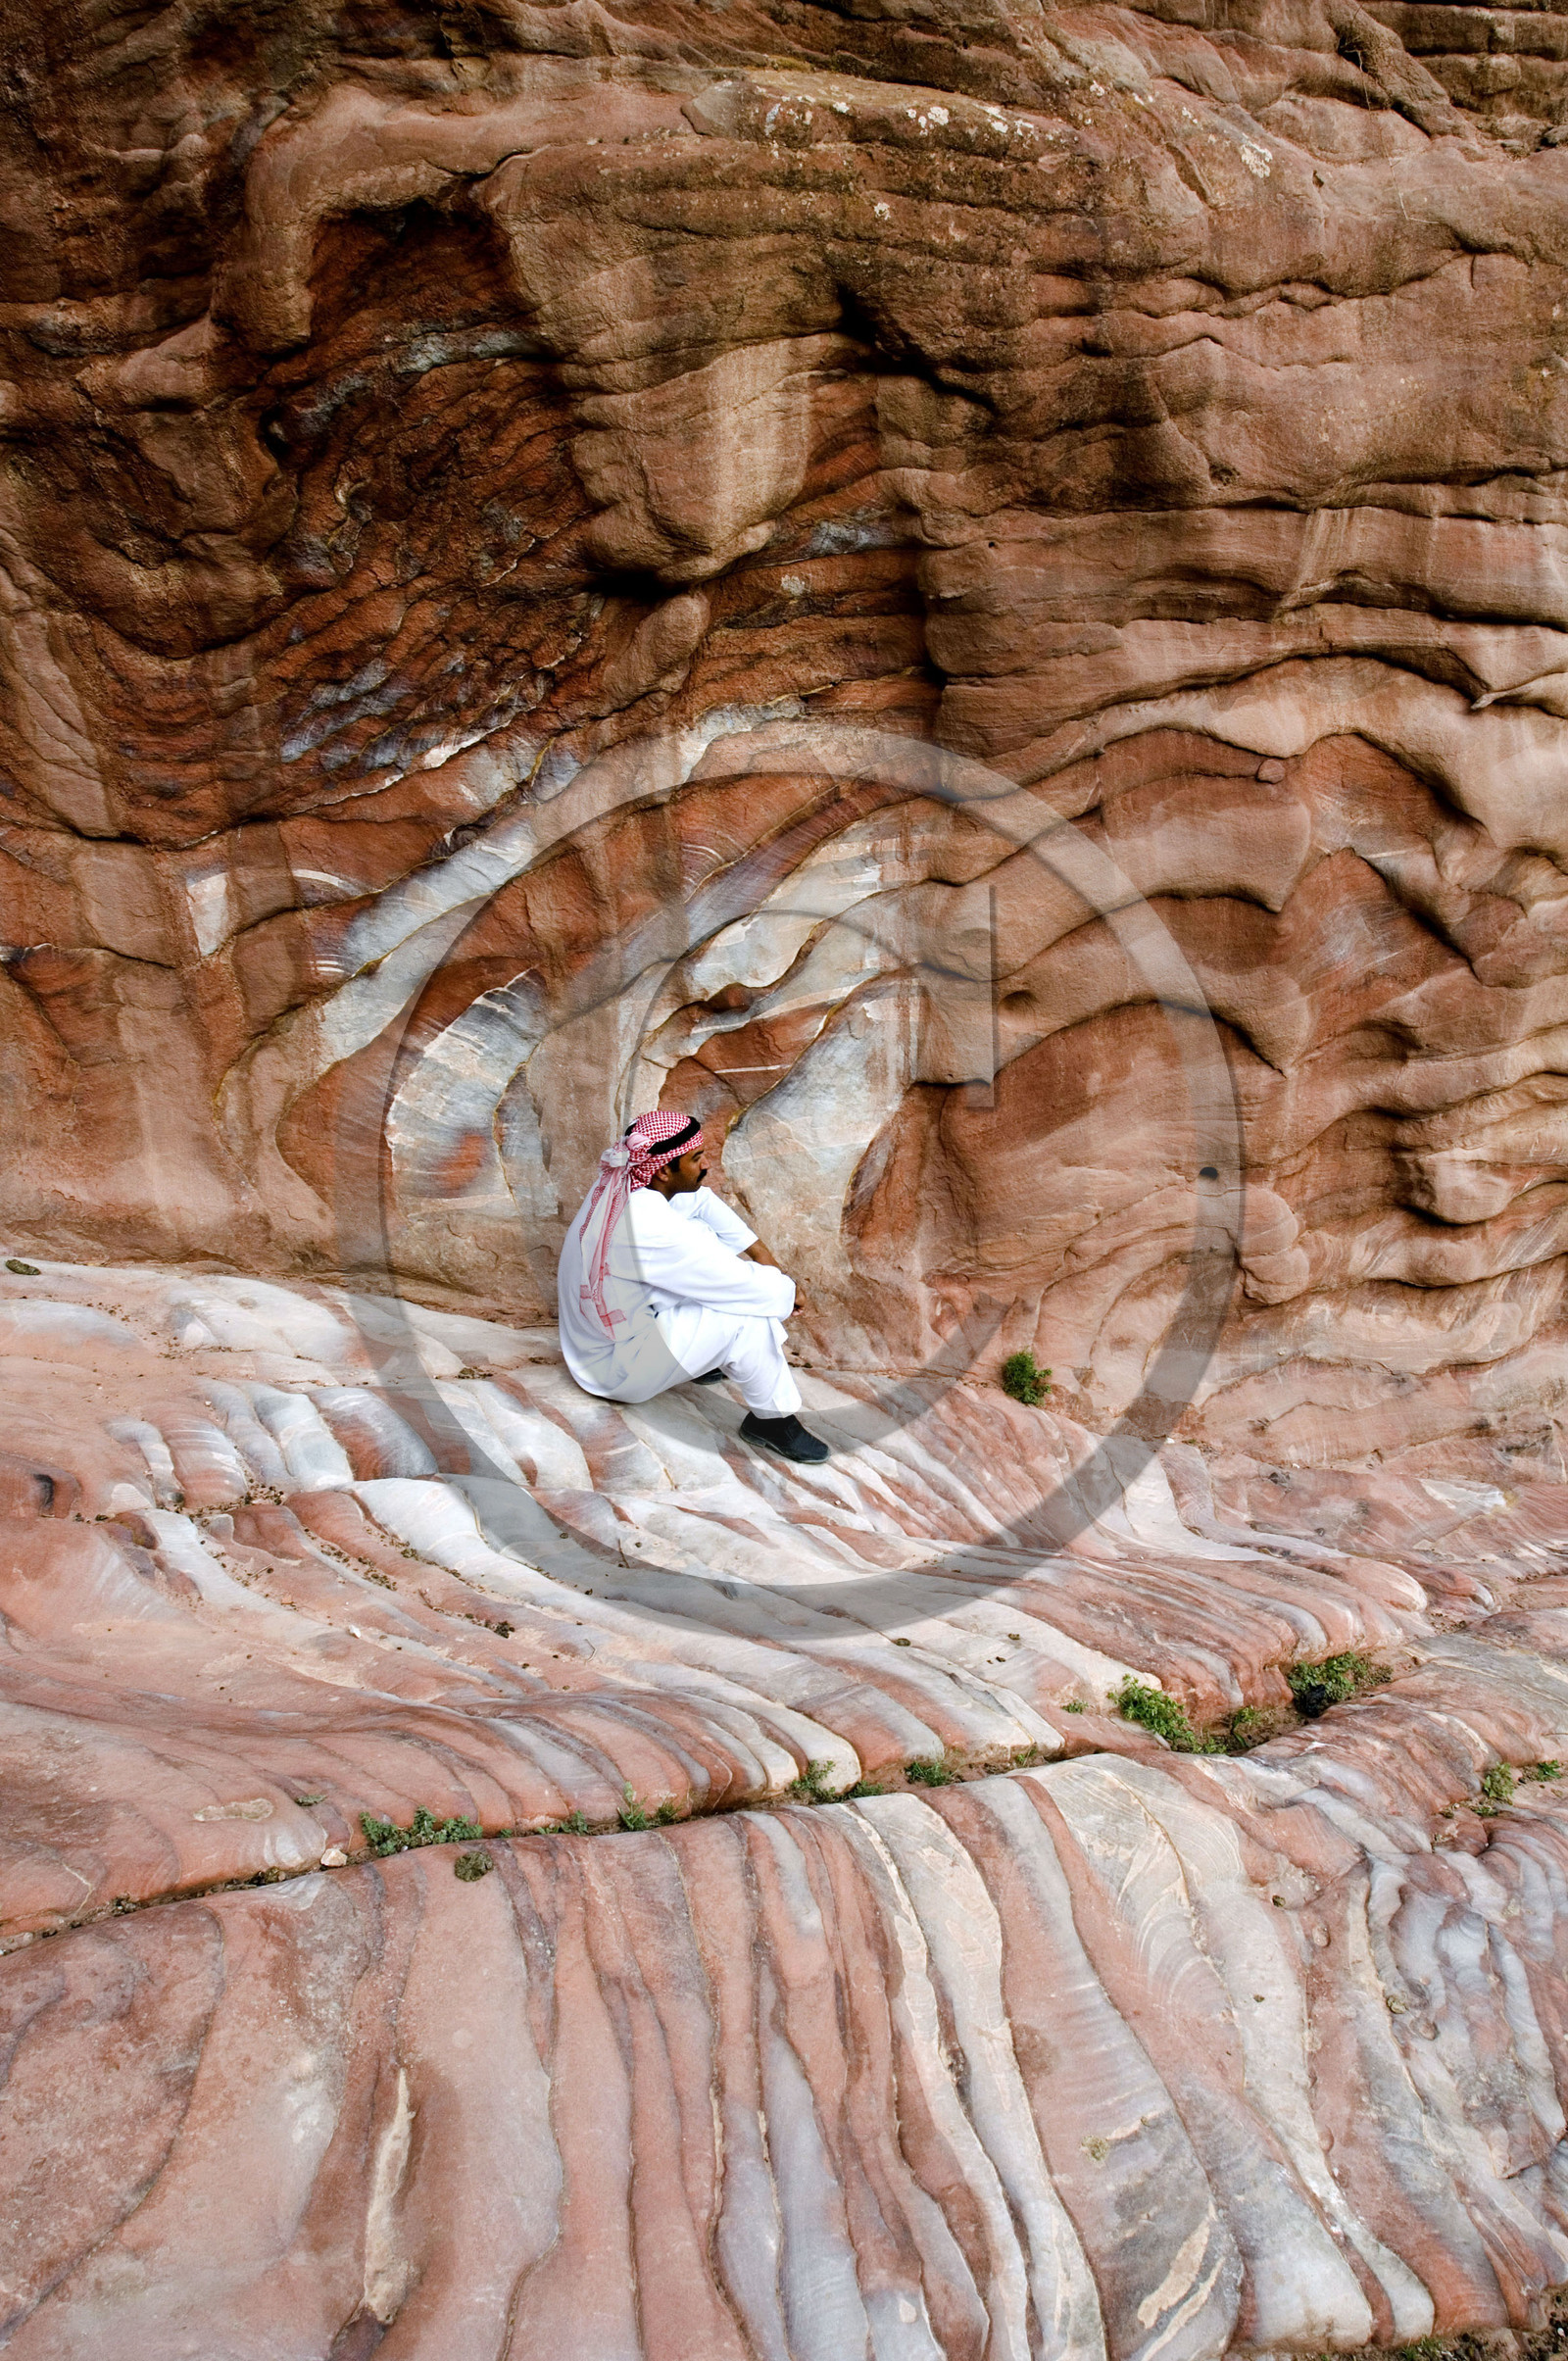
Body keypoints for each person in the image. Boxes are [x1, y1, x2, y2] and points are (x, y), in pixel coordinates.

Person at [558, 1109, 831, 1464]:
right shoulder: (647, 1225)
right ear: (663, 1170)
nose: (706, 1166)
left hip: (595, 1342)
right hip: (616, 1368)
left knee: (702, 1237)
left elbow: (698, 1199)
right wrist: (787, 1290)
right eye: (696, 1158)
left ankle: (706, 1360)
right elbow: (739, 1285)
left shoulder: (628, 1182)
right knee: (746, 1318)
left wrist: (762, 1254)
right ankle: (773, 1423)